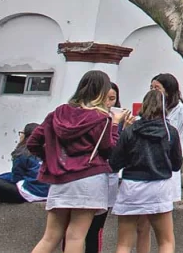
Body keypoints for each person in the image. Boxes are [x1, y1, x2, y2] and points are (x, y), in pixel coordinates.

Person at [26, 69, 128, 253]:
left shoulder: (58, 113)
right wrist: (115, 124)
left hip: (60, 180)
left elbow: (33, 142)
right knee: (76, 235)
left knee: (50, 237)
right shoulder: (102, 118)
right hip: (89, 179)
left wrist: (52, 159)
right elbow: (108, 151)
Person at [109, 90, 183, 253]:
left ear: (143, 105)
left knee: (124, 244)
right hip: (159, 187)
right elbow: (176, 165)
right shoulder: (170, 132)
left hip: (131, 187)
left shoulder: (130, 130)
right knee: (165, 242)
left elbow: (114, 163)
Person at [84, 82, 122, 253]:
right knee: (75, 229)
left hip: (109, 177)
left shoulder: (119, 120)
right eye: (106, 99)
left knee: (96, 227)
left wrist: (121, 127)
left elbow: (116, 151)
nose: (109, 103)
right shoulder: (90, 119)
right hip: (87, 176)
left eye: (112, 99)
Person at [0, 123, 49, 205]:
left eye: (21, 133)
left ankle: (0, 197)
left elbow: (17, 178)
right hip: (49, 193)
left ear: (26, 136)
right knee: (6, 176)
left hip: (32, 193)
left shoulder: (22, 153)